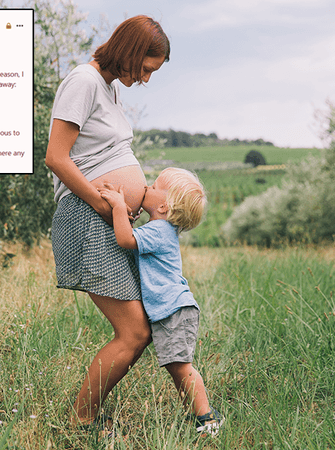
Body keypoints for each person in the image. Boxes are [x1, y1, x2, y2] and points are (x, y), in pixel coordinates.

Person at [44, 15, 168, 432]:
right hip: (85, 218)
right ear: (132, 53)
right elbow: (56, 158)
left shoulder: (109, 89)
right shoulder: (83, 81)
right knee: (134, 332)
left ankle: (85, 416)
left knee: (139, 329)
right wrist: (102, 203)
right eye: (147, 68)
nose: (147, 79)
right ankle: (80, 420)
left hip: (104, 218)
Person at [99, 168, 225, 436]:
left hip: (174, 311)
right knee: (176, 366)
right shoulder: (161, 229)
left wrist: (119, 207)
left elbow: (124, 239)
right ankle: (199, 417)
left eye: (154, 184)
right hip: (174, 310)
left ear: (163, 205)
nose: (147, 185)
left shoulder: (159, 230)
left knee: (181, 366)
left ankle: (207, 419)